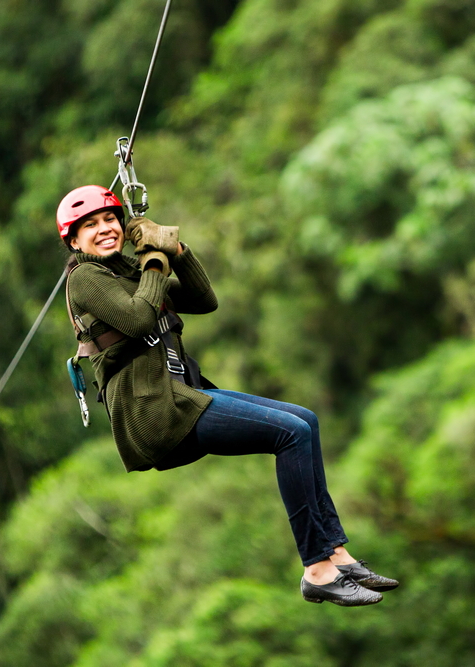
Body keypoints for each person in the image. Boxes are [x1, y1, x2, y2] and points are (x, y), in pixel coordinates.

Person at [57, 185, 398, 606]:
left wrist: (176, 250)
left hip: (181, 396)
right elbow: (140, 318)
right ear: (74, 241)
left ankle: (337, 555)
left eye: (110, 219)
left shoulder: (128, 273)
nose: (104, 229)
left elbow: (205, 299)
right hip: (154, 414)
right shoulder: (86, 279)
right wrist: (154, 262)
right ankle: (318, 569)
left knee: (305, 421)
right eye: (90, 226)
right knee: (288, 434)